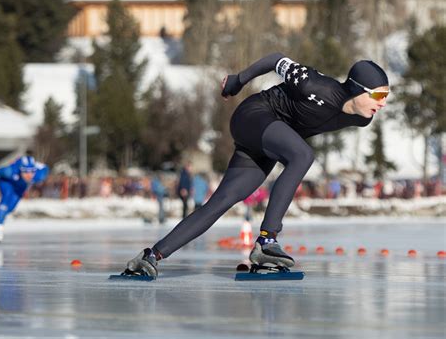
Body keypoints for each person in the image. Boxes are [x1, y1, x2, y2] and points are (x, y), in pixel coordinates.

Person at [123, 53, 389, 277]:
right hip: (254, 116)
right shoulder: (316, 86)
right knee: (302, 155)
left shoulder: (363, 118)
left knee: (223, 200)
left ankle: (149, 257)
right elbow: (276, 60)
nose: (382, 103)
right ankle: (267, 239)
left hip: (269, 140)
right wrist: (238, 81)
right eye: (378, 95)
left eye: (387, 96)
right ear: (356, 88)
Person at [0, 151, 49, 245]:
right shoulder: (9, 171)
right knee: (5, 201)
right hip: (7, 183)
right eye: (26, 171)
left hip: (19, 188)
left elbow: (44, 168)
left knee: (6, 212)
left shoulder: (39, 174)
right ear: (20, 170)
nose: (29, 175)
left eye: (32, 171)